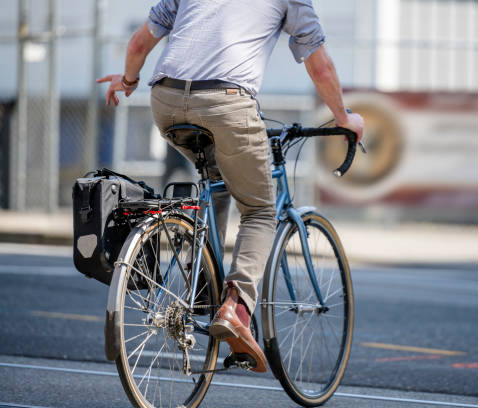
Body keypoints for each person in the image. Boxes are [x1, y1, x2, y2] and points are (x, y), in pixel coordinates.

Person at [97, 0, 363, 373]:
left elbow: (139, 44)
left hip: (166, 100)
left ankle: (204, 289)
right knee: (259, 210)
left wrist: (126, 81)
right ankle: (236, 307)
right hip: (227, 104)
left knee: (218, 183)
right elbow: (319, 66)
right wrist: (343, 117)